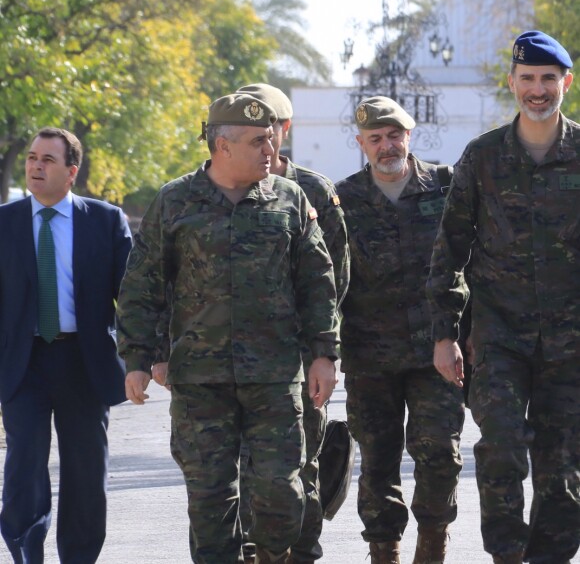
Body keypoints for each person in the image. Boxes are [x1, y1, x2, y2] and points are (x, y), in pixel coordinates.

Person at [116, 93, 340, 564]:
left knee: (282, 494)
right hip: (201, 381)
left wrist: (324, 354)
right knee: (211, 503)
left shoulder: (290, 199)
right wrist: (137, 358)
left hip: (276, 377)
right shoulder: (175, 201)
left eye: (272, 139)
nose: (271, 150)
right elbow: (143, 284)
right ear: (222, 146)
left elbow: (318, 283)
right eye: (259, 141)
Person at [427, 30, 580, 564]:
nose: (537, 90)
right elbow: (448, 249)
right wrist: (444, 335)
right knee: (501, 451)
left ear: (566, 81)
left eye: (547, 79)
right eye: (527, 79)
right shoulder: (483, 156)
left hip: (571, 342)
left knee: (563, 468)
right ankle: (507, 556)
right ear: (512, 82)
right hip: (498, 339)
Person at [335, 96, 465, 564]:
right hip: (369, 357)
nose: (386, 146)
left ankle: (432, 547)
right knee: (377, 462)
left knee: (440, 455)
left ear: (410, 136)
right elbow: (325, 280)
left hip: (438, 349)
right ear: (361, 143)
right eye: (375, 139)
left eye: (394, 136)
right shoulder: (342, 199)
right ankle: (383, 552)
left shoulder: (447, 187)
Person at [0, 127, 132, 562]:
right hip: (23, 362)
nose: (36, 166)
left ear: (71, 172)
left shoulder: (106, 221)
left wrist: (146, 358)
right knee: (23, 468)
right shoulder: (4, 223)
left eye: (48, 160)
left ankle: (78, 557)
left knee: (86, 472)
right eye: (32, 158)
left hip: (83, 361)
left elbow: (134, 297)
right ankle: (25, 550)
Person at [233, 82, 350, 564]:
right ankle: (251, 551)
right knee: (243, 466)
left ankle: (302, 552)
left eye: (269, 129)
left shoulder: (314, 189)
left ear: (284, 130)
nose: (262, 139)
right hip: (237, 359)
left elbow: (336, 273)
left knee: (302, 464)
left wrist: (322, 348)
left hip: (300, 359)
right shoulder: (221, 187)